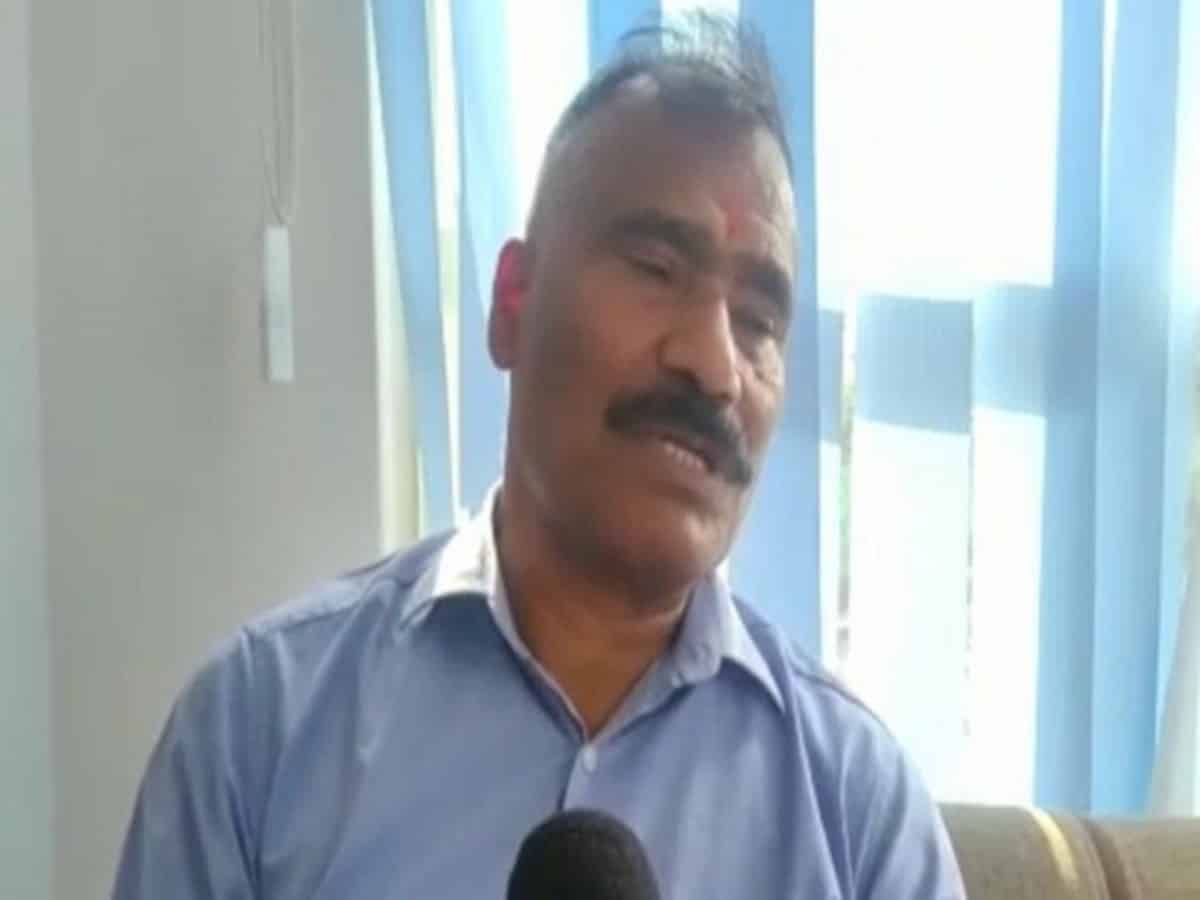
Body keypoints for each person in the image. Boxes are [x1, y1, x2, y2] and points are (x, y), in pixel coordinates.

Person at [113, 15, 966, 900]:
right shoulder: (258, 732)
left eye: (758, 321)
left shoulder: (859, 811)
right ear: (513, 302)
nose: (714, 365)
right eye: (655, 269)